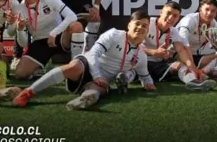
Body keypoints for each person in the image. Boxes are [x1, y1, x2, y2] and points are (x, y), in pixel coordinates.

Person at [13, 10, 155, 111]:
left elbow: (145, 77)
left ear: (148, 29)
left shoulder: (141, 55)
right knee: (74, 67)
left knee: (98, 91)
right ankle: (28, 92)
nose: (140, 28)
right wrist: (97, 74)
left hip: (100, 81)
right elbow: (93, 53)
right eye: (137, 23)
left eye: (144, 25)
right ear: (129, 25)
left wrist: (149, 84)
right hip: (87, 66)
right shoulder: (115, 34)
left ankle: (81, 101)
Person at [13, 0, 83, 80]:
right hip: (40, 42)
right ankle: (41, 66)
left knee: (76, 26)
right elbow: (23, 44)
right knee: (20, 74)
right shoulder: (19, 9)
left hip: (59, 37)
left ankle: (77, 66)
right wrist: (20, 29)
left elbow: (72, 16)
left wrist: (54, 33)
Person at [172, 0, 217, 91]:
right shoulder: (190, 19)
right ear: (200, 10)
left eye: (213, 11)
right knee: (185, 65)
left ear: (216, 13)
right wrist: (191, 65)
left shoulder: (214, 23)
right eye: (207, 9)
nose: (209, 13)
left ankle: (201, 73)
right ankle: (193, 81)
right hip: (178, 52)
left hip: (196, 54)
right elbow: (183, 42)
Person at [141, 1, 182, 82]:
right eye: (168, 13)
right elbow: (130, 45)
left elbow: (181, 50)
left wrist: (191, 67)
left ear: (178, 18)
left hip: (159, 64)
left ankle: (194, 81)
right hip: (140, 62)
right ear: (161, 12)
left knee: (181, 65)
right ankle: (127, 76)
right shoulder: (147, 23)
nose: (171, 18)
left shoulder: (174, 31)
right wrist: (153, 52)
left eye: (175, 16)